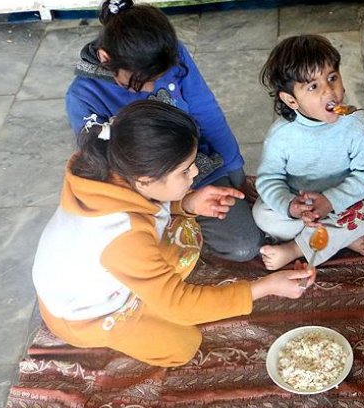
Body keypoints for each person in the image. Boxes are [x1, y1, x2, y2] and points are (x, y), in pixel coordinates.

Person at [32, 101, 315, 368]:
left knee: (184, 235)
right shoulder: (122, 237)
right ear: (144, 180)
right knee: (183, 345)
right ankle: (124, 319)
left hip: (110, 267)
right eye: (184, 171)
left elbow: (145, 207)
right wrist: (265, 287)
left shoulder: (112, 161)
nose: (194, 173)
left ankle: (148, 291)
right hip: (88, 315)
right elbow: (179, 305)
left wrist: (187, 203)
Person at [65, 0, 263, 263]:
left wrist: (233, 169)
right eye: (139, 82)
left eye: (159, 77)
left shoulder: (168, 52)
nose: (150, 89)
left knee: (246, 244)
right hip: (144, 193)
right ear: (105, 59)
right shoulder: (82, 97)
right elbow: (107, 171)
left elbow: (205, 109)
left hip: (193, 168)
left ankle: (186, 217)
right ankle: (178, 224)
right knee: (142, 256)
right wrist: (180, 202)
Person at [253, 35, 364, 271]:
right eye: (313, 86)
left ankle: (294, 249)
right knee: (263, 214)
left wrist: (331, 201)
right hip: (300, 202)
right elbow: (269, 179)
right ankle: (340, 238)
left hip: (343, 200)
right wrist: (291, 206)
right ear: (291, 100)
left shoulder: (356, 124)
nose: (329, 92)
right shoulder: (281, 135)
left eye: (332, 78)